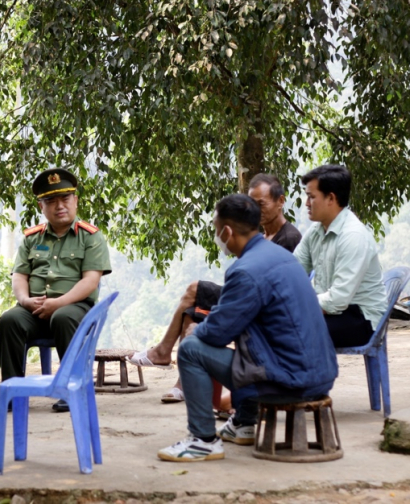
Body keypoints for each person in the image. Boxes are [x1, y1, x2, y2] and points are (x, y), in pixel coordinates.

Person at [157, 194, 337, 462]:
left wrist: (195, 330)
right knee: (247, 349)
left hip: (291, 381)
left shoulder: (245, 270)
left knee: (192, 349)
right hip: (320, 374)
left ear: (227, 231)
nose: (218, 237)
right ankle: (244, 423)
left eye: (217, 231)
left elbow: (218, 332)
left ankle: (203, 440)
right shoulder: (281, 255)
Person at [128, 173, 302, 403]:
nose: (257, 211)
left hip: (260, 300)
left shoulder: (288, 237)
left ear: (281, 201)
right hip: (249, 292)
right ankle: (181, 382)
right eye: (252, 205)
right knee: (192, 313)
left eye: (262, 204)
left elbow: (269, 283)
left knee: (194, 290)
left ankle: (164, 354)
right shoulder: (263, 235)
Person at [0, 168, 112, 413]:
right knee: (9, 320)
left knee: (63, 316)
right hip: (34, 308)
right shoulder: (31, 239)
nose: (59, 206)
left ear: (75, 201)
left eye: (65, 199)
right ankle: (13, 390)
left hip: (75, 308)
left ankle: (70, 389)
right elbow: (19, 276)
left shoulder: (91, 237)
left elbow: (90, 281)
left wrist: (57, 304)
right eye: (51, 201)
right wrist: (25, 301)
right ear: (41, 206)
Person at [294, 164, 387, 347]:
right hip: (334, 311)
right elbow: (292, 270)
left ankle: (317, 375)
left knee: (292, 333)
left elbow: (337, 300)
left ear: (331, 198)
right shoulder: (316, 231)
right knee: (275, 325)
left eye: (311, 197)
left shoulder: (353, 236)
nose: (306, 203)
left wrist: (298, 305)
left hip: (361, 318)